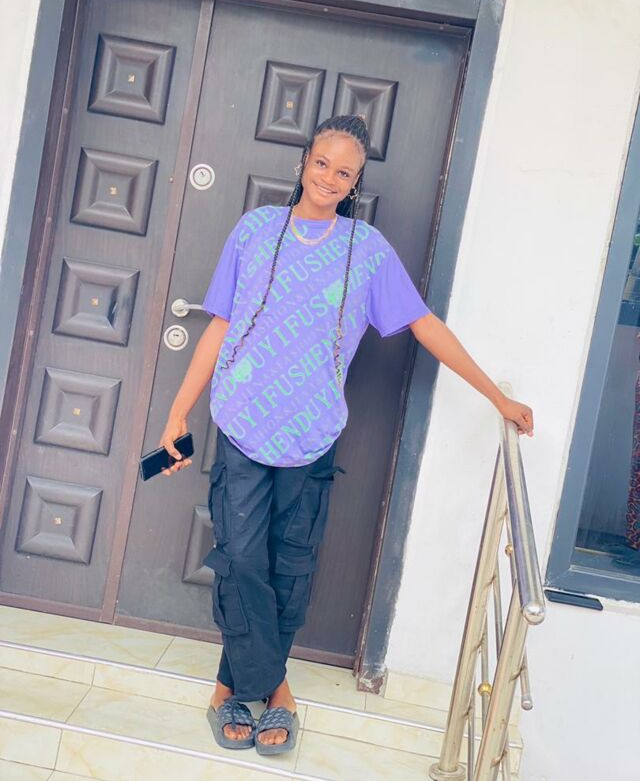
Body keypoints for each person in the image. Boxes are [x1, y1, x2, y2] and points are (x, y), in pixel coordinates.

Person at [158, 114, 534, 755]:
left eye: (345, 172)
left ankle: (230, 691)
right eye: (322, 163)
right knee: (242, 558)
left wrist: (496, 396)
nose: (330, 178)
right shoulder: (255, 230)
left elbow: (424, 325)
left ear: (355, 183)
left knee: (289, 566)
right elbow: (218, 324)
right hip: (243, 423)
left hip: (311, 435)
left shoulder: (368, 250)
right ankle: (276, 689)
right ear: (303, 162)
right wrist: (178, 412)